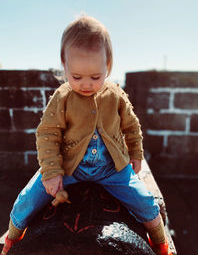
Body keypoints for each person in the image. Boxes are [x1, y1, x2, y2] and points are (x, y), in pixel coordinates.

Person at [1, 15, 172, 255]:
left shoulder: (115, 95)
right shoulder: (62, 97)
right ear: (65, 65)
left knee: (147, 204)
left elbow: (131, 126)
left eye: (95, 77)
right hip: (71, 167)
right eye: (77, 77)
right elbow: (47, 134)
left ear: (108, 66)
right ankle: (12, 239)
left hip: (111, 168)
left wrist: (135, 153)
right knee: (26, 201)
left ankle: (161, 243)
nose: (86, 84)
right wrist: (51, 172)